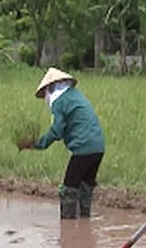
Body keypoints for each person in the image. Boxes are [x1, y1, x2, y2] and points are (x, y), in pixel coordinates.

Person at [20, 67, 105, 219]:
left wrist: (38, 144)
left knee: (69, 189)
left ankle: (68, 229)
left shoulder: (59, 101)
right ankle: (85, 223)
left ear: (50, 88)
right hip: (98, 148)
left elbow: (57, 131)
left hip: (82, 149)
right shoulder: (76, 95)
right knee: (85, 187)